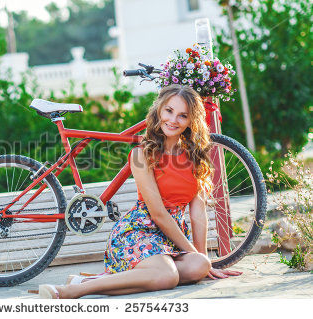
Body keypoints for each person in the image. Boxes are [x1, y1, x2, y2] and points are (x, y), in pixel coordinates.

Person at [39, 84, 242, 299]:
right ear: (159, 110)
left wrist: (202, 259)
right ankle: (75, 290)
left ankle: (93, 280)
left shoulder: (196, 156)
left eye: (183, 116)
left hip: (170, 240)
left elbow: (197, 212)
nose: (173, 120)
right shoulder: (141, 155)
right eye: (169, 111)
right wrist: (191, 251)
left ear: (192, 121)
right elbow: (158, 214)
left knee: (198, 266)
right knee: (168, 276)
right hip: (138, 232)